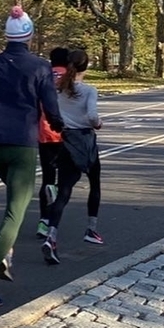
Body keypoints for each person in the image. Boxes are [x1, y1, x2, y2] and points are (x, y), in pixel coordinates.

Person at [0, 5, 63, 306]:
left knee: (12, 203)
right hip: (23, 144)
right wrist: (59, 126)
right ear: (29, 36)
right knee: (14, 213)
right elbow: (51, 107)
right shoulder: (40, 67)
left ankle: (5, 255)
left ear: (6, 36)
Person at [41, 48, 104, 264]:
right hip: (85, 141)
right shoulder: (88, 90)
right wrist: (97, 124)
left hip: (66, 140)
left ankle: (51, 235)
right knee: (94, 182)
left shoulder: (58, 88)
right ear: (86, 67)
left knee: (64, 191)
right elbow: (93, 116)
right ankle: (91, 229)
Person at [35, 46, 70, 239]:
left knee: (47, 178)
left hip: (45, 131)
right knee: (64, 179)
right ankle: (54, 221)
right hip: (65, 132)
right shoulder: (70, 77)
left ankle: (43, 220)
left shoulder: (44, 75)